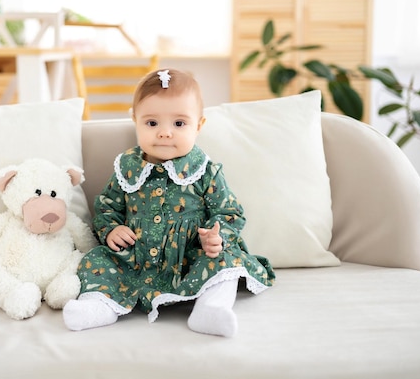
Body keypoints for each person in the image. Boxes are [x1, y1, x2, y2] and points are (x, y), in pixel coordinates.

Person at [63, 68, 275, 337]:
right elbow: (107, 206)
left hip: (190, 258)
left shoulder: (205, 171)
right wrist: (111, 229)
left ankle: (211, 308)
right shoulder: (127, 167)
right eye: (152, 123)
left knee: (227, 262)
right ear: (135, 121)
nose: (164, 133)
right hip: (133, 260)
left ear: (198, 126)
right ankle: (96, 307)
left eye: (179, 124)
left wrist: (216, 237)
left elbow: (228, 211)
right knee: (96, 261)